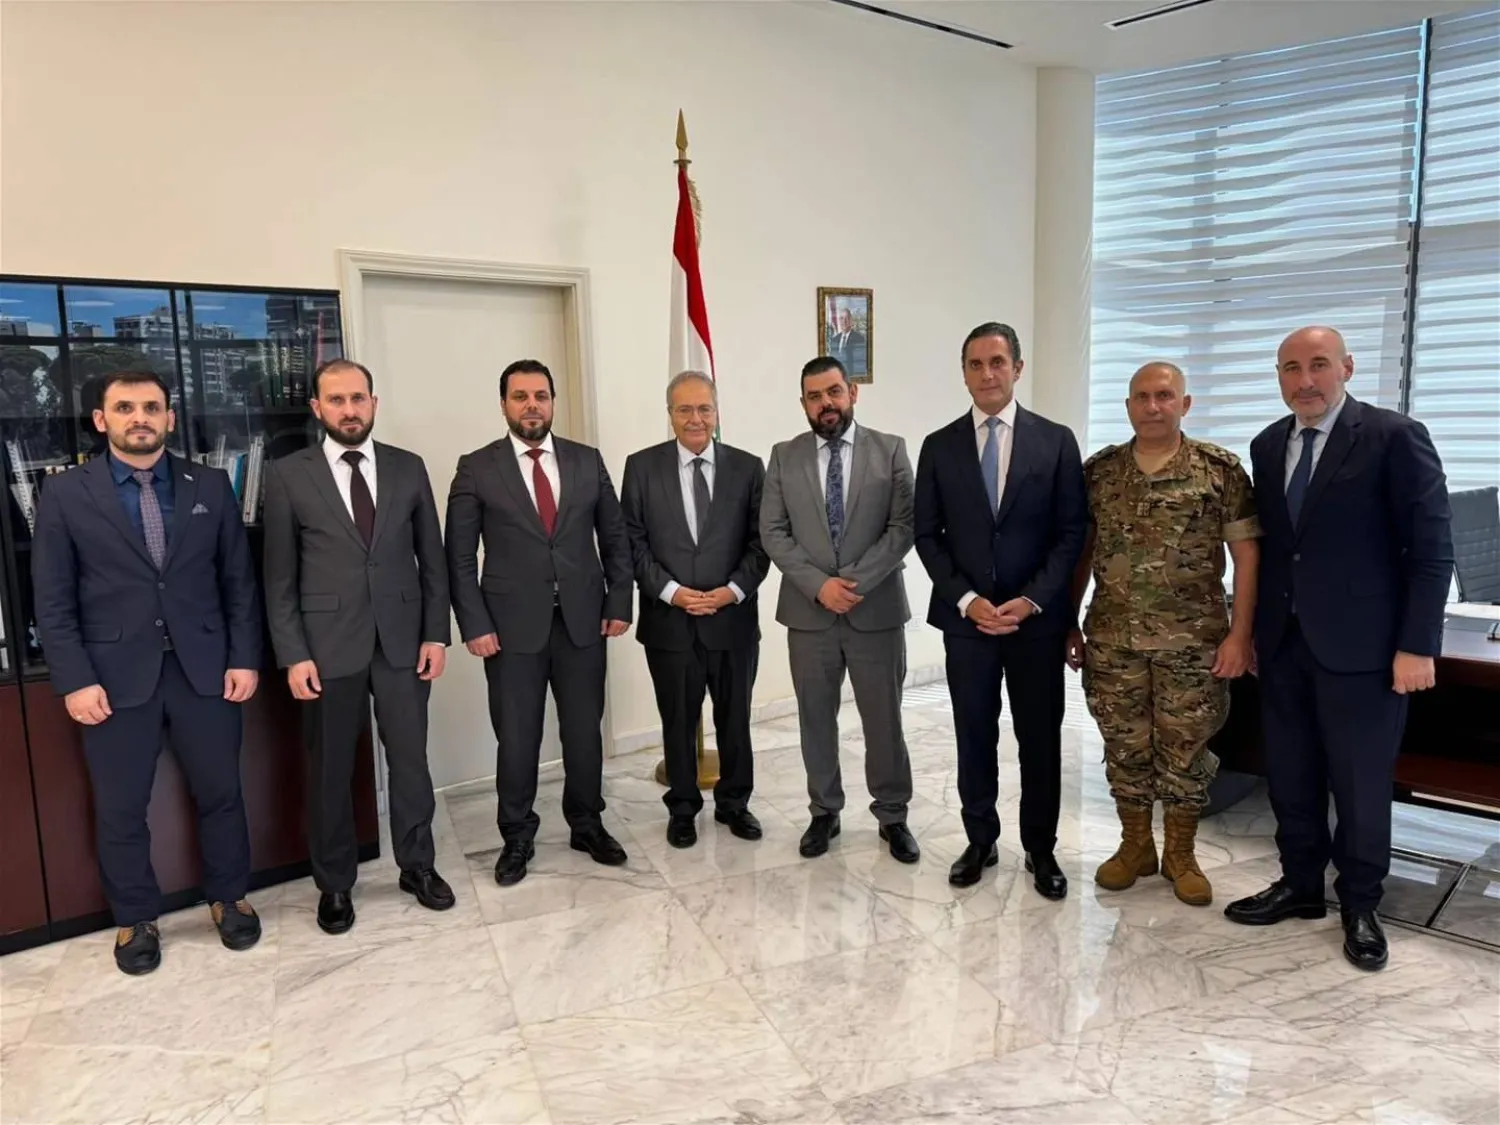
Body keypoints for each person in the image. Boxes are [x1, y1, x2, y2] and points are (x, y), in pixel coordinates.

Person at [1225, 326, 1452, 971]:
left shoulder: (1393, 437)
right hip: (1285, 646)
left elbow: (1431, 552)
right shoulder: (1268, 445)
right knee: (1290, 776)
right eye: (1291, 368)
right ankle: (1300, 885)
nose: (1305, 380)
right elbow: (1276, 548)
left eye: (1318, 365)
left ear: (1346, 367)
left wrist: (1417, 645)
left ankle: (1360, 902)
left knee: (1358, 784)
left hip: (1367, 650)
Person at [31, 369, 263, 975]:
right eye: (126, 407)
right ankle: (135, 919)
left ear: (169, 418)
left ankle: (229, 897)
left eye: (152, 407)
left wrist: (243, 656)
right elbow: (52, 599)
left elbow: (238, 582)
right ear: (101, 420)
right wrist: (74, 679)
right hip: (111, 679)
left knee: (221, 793)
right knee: (120, 806)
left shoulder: (208, 483)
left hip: (206, 670)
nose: (141, 417)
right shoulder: (65, 492)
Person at [261, 358, 454, 936]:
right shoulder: (290, 475)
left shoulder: (408, 468)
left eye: (359, 398)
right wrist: (293, 653)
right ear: (317, 409)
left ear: (374, 403)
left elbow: (433, 562)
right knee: (331, 771)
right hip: (325, 650)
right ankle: (336, 885)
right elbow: (279, 578)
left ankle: (417, 866)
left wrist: (435, 633)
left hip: (403, 643)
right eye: (337, 400)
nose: (350, 409)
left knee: (411, 762)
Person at [1066, 362, 1260, 906]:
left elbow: (1247, 557)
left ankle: (1180, 853)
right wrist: (1067, 621)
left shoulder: (1218, 471)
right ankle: (1134, 847)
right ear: (1128, 406)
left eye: (1165, 396)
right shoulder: (1099, 474)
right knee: (1123, 745)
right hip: (1113, 639)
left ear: (1185, 403)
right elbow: (1082, 554)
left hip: (1193, 643)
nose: (1154, 406)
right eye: (1143, 397)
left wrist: (1240, 635)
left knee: (1186, 750)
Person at [445, 359, 634, 887]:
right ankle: (517, 835)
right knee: (518, 737)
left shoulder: (586, 461)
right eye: (521, 396)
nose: (532, 405)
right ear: (503, 404)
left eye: (541, 396)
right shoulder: (476, 467)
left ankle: (587, 823)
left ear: (553, 402)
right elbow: (458, 557)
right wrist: (473, 624)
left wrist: (620, 602)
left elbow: (614, 538)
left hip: (582, 623)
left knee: (583, 732)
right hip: (508, 629)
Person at [914, 322, 1087, 896]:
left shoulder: (1056, 441)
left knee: (1040, 739)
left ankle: (1041, 849)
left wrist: (1033, 600)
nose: (987, 374)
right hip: (968, 625)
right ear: (963, 372)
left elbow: (1071, 532)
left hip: (1034, 625)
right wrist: (967, 600)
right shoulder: (939, 446)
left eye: (997, 362)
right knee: (974, 735)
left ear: (1018, 367)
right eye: (975, 364)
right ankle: (980, 840)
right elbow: (927, 535)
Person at [760, 356, 919, 864]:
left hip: (875, 611)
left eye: (833, 392)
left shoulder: (890, 450)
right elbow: (773, 532)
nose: (825, 403)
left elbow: (903, 527)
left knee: (883, 719)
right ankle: (823, 809)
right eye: (814, 396)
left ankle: (892, 814)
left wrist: (851, 582)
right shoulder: (784, 456)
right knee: (815, 718)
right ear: (803, 403)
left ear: (852, 392)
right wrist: (818, 586)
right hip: (810, 615)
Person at [621, 371, 769, 848]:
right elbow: (633, 542)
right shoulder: (641, 468)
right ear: (670, 415)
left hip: (733, 620)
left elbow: (760, 543)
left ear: (717, 412)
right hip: (671, 623)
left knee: (735, 719)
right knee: (678, 721)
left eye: (704, 408)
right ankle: (682, 806)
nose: (695, 418)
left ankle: (734, 804)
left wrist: (732, 590)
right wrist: (671, 592)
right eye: (684, 409)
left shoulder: (749, 468)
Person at [827, 305, 868, 378]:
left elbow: (860, 364)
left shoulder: (859, 339)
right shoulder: (834, 339)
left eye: (847, 318)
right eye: (841, 318)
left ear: (851, 321)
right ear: (839, 321)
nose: (844, 321)